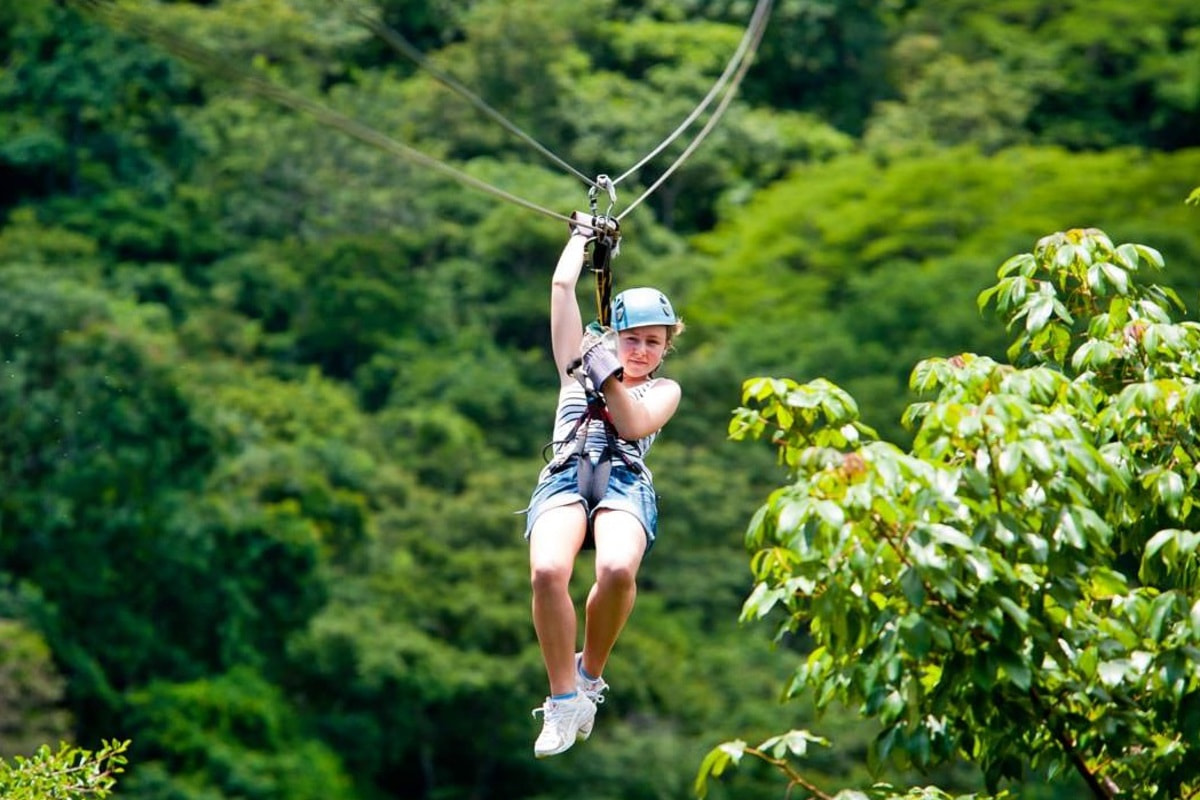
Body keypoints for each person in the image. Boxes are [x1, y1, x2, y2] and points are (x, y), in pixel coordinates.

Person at [523, 211, 684, 758]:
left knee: (615, 569)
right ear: (613, 334)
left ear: (665, 350)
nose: (640, 351)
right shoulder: (576, 364)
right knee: (548, 571)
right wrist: (580, 237)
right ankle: (563, 699)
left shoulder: (664, 390)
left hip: (623, 481)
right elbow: (562, 286)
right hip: (567, 472)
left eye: (652, 343)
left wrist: (606, 375)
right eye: (631, 339)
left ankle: (589, 675)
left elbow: (635, 425)